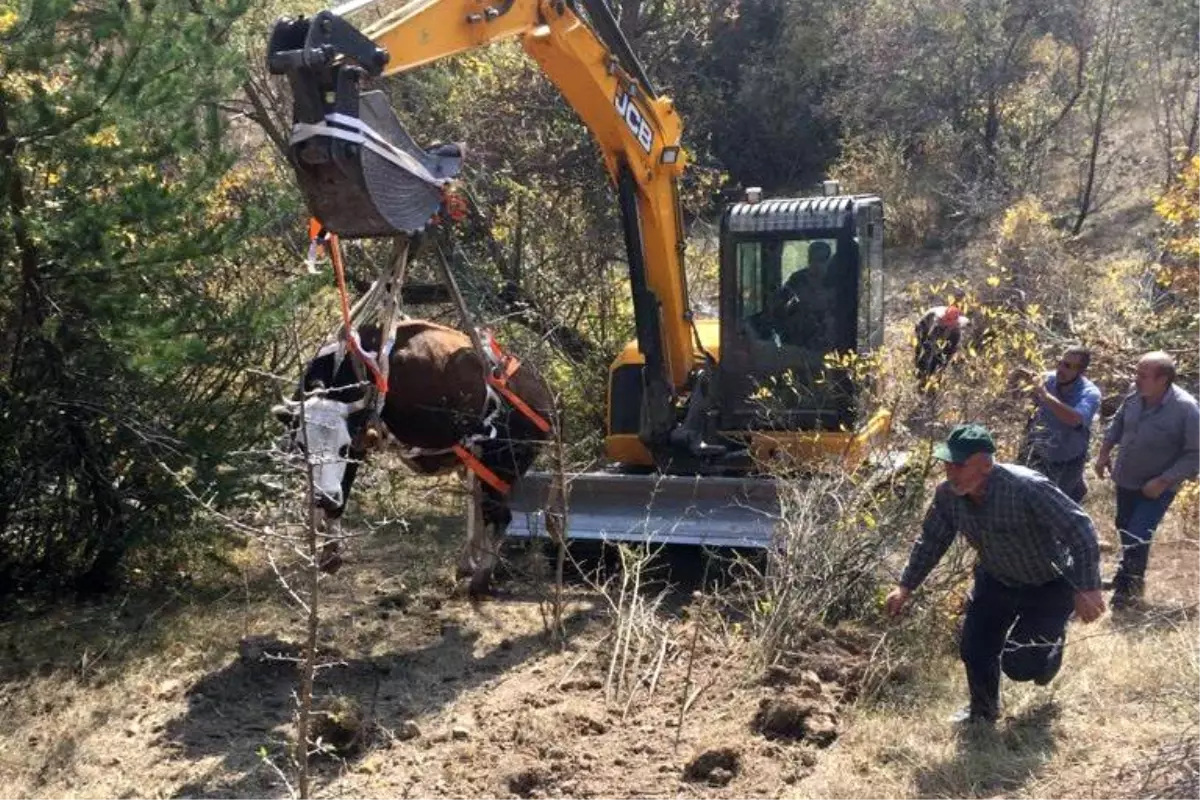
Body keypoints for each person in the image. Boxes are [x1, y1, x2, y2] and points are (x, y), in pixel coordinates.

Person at [885, 424, 1105, 725]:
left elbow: (1079, 527)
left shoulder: (1026, 487)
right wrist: (905, 587)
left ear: (986, 465)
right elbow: (932, 540)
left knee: (1021, 664)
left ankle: (1050, 651)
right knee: (975, 648)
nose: (951, 470)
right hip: (995, 579)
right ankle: (983, 712)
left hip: (1049, 585)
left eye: (959, 464)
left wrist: (1087, 587)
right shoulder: (948, 495)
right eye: (948, 462)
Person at [1094, 351, 1200, 609]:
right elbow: (1118, 422)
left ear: (1162, 379)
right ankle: (1126, 575)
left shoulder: (1186, 409)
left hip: (1157, 486)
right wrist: (1104, 452)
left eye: (1143, 375)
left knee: (1138, 533)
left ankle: (1128, 589)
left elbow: (1195, 453)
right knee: (1124, 526)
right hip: (1126, 478)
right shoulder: (1134, 394)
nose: (1136, 379)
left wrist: (1164, 481)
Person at [1018, 346, 1102, 502]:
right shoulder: (1046, 379)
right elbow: (1028, 405)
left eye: (1068, 366)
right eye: (1060, 363)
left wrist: (1045, 396)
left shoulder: (1090, 393)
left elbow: (1074, 419)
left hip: (1067, 459)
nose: (1061, 369)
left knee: (1058, 502)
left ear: (1081, 371)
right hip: (1038, 452)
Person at [768, 240, 834, 350]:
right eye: (813, 259)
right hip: (800, 335)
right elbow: (780, 302)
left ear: (828, 261)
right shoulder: (797, 278)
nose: (816, 264)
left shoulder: (834, 280)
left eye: (821, 260)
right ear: (808, 259)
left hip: (827, 337)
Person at [914, 304, 971, 389]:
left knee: (943, 355)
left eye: (951, 325)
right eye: (947, 324)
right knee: (925, 349)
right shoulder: (937, 321)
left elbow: (950, 351)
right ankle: (920, 374)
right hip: (924, 327)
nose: (950, 326)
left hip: (945, 330)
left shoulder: (956, 328)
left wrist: (941, 366)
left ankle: (934, 377)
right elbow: (929, 345)